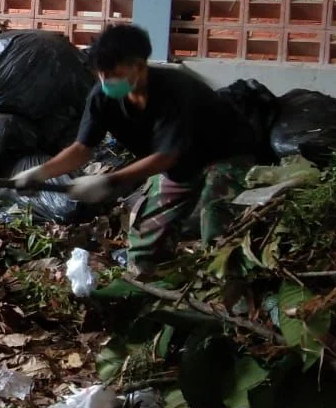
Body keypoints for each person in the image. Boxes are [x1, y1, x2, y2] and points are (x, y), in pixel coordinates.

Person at [14, 24, 258, 276]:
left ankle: (228, 288)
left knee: (218, 227)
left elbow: (166, 156)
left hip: (226, 157)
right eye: (102, 74)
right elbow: (81, 149)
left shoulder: (176, 91)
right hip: (180, 168)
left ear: (139, 66)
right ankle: (148, 288)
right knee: (145, 244)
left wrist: (109, 181)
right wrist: (40, 173)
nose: (106, 81)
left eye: (114, 74)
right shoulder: (101, 98)